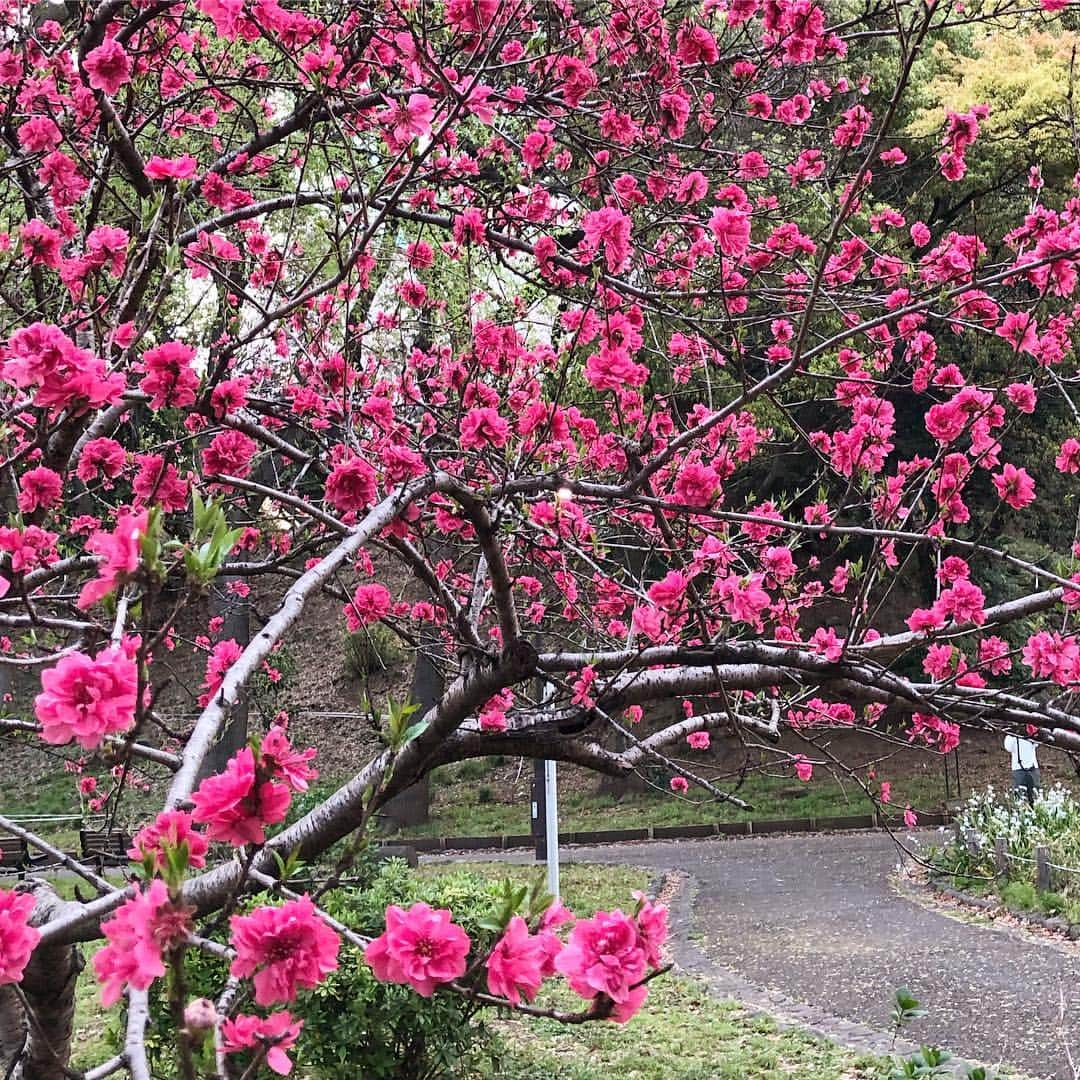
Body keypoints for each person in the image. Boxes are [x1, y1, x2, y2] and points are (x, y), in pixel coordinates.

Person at [1004, 733, 1040, 805]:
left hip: (1032, 767)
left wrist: (1031, 733)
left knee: (1035, 795)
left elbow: (1037, 743)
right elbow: (1008, 747)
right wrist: (1014, 734)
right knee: (1020, 796)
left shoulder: (1031, 731)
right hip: (1018, 768)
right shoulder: (1010, 736)